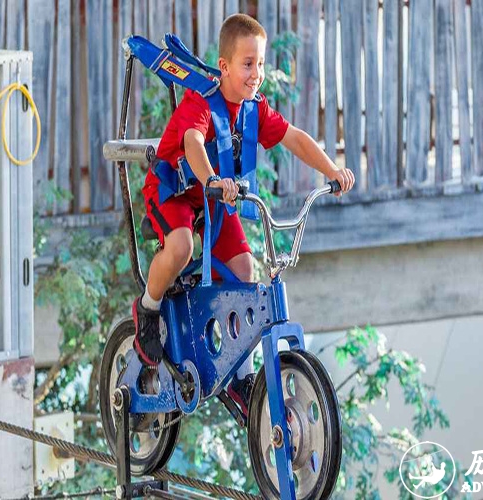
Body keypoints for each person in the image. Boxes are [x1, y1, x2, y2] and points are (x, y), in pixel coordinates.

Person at [133, 13, 355, 416]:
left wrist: (332, 170)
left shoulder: (254, 108)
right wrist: (213, 178)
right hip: (175, 191)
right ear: (225, 66)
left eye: (261, 63)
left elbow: (295, 138)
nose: (257, 73)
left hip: (215, 198)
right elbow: (194, 142)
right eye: (247, 64)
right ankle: (148, 308)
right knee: (181, 247)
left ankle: (240, 374)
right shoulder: (202, 101)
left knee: (245, 270)